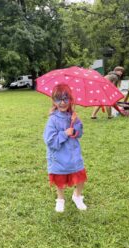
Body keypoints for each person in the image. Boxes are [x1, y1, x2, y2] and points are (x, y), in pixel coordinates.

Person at [43, 84, 87, 212]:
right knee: (60, 178)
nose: (62, 103)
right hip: (58, 156)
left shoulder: (73, 116)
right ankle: (60, 199)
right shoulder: (52, 120)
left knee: (80, 176)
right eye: (58, 99)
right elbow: (50, 141)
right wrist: (64, 133)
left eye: (66, 99)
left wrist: (75, 127)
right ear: (53, 101)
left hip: (73, 155)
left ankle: (77, 196)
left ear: (71, 100)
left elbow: (79, 133)